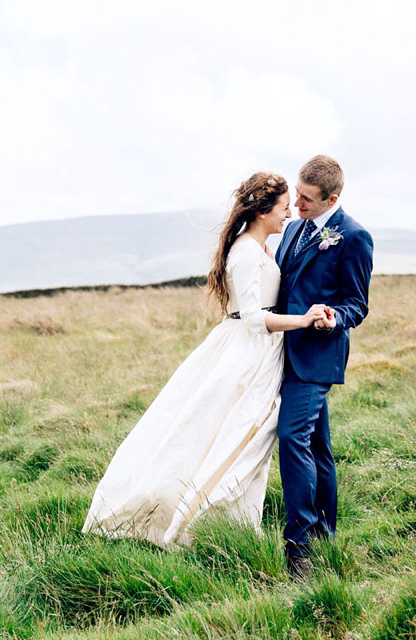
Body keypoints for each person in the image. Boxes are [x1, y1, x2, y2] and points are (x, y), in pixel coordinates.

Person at [83, 172, 333, 549]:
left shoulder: (262, 247)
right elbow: (251, 316)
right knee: (231, 437)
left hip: (262, 353)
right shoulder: (247, 252)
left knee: (242, 439)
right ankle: (201, 522)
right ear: (264, 211)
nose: (289, 215)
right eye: (284, 208)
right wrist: (303, 320)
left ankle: (230, 525)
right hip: (248, 355)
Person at [274, 155, 374, 577]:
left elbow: (357, 304)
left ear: (332, 198)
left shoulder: (354, 237)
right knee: (317, 448)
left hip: (316, 355)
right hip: (281, 352)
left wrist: (335, 317)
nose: (297, 205)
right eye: (297, 195)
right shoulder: (294, 228)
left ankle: (299, 548)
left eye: (307, 200)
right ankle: (325, 536)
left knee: (291, 437)